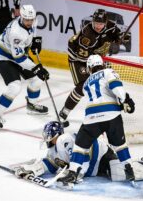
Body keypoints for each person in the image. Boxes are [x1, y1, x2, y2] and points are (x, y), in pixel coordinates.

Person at [57, 54, 136, 188]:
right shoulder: (108, 71)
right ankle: (129, 170)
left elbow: (82, 95)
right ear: (102, 64)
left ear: (89, 68)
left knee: (80, 146)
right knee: (120, 145)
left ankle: (73, 173)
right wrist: (125, 100)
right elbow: (117, 88)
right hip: (111, 115)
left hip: (91, 117)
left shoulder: (86, 81)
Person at [14, 121, 143, 182]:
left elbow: (83, 155)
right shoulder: (53, 150)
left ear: (56, 134)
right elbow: (49, 164)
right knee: (114, 174)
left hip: (102, 155)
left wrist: (76, 174)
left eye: (48, 135)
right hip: (94, 167)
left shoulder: (65, 140)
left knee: (119, 174)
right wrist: (33, 170)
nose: (46, 138)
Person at [59, 8, 129, 124]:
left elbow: (121, 35)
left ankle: (112, 107)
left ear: (105, 23)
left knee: (108, 80)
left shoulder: (111, 26)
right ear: (92, 21)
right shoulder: (88, 35)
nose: (98, 26)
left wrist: (118, 42)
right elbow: (83, 56)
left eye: (101, 23)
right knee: (82, 87)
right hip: (78, 59)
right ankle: (65, 111)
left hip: (97, 57)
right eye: (96, 23)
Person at [0, 4, 50, 131]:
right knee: (15, 87)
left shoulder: (31, 21)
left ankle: (32, 105)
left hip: (19, 55)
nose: (29, 22)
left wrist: (34, 42)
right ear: (21, 17)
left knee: (37, 79)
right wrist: (36, 68)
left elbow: (31, 33)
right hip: (6, 58)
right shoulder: (16, 32)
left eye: (31, 19)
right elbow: (19, 59)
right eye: (26, 20)